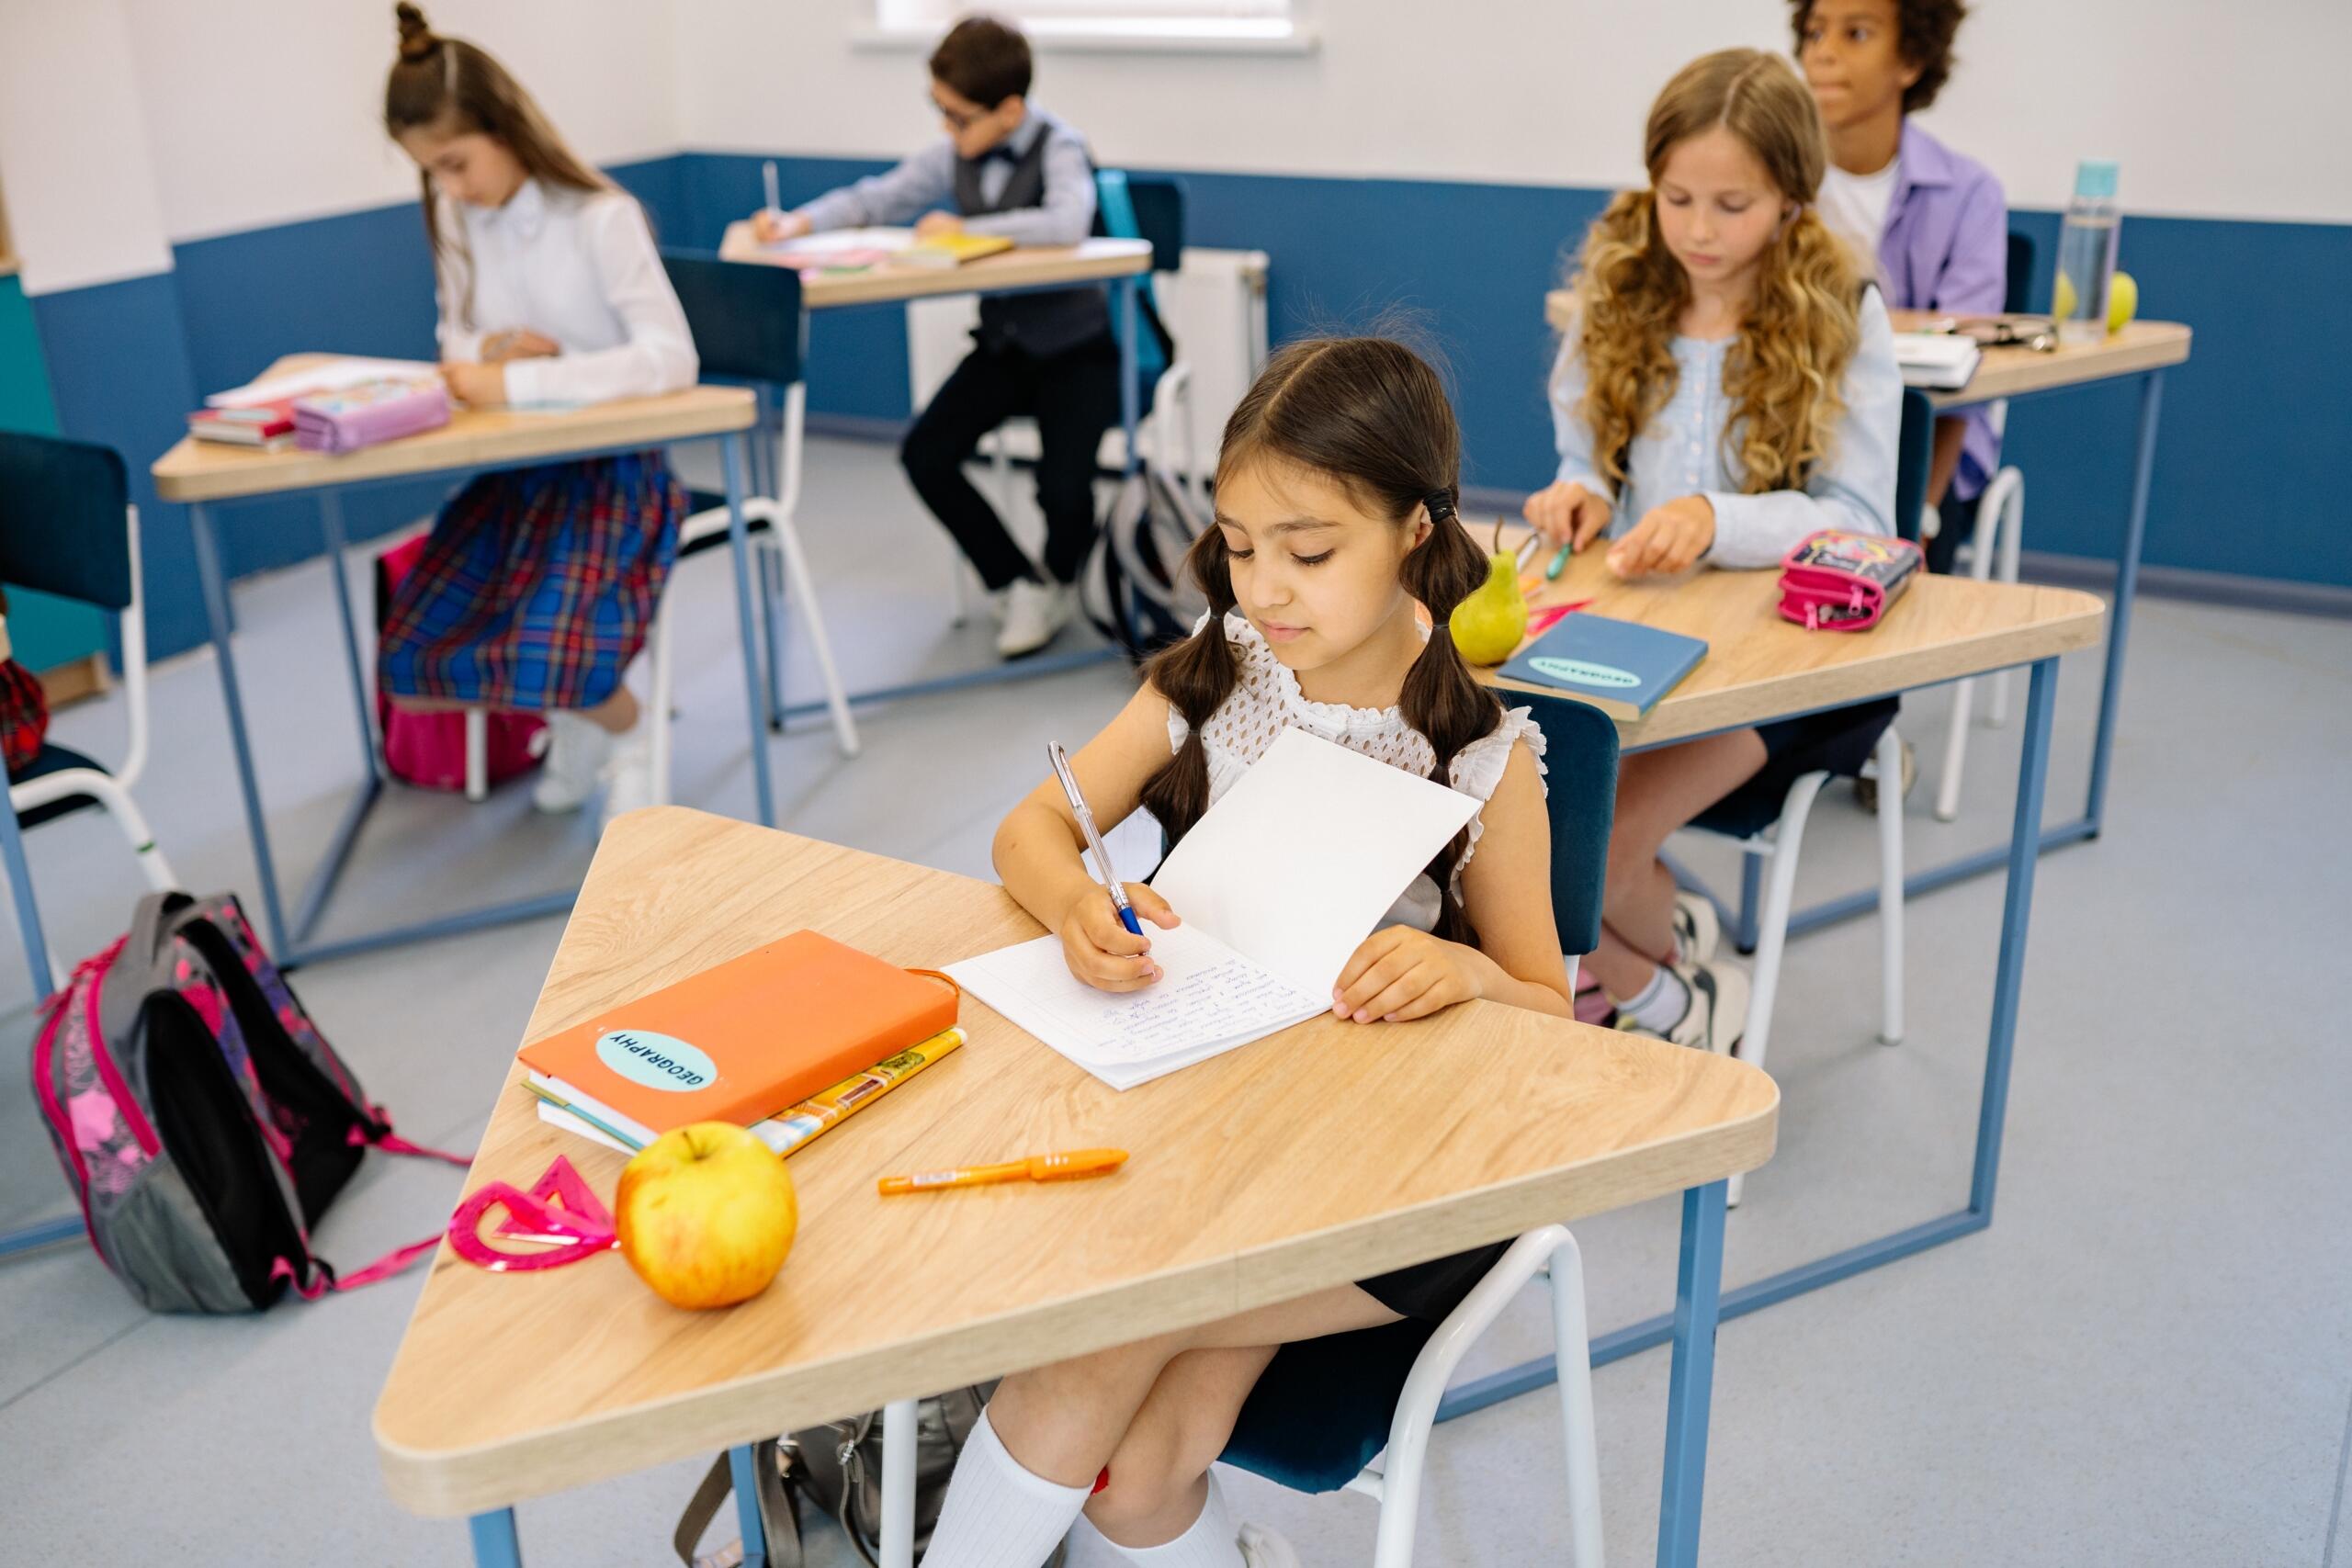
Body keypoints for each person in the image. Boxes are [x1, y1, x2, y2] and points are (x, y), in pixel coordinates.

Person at [922, 335, 1573, 1567]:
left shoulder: (1486, 755)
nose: (1266, 585)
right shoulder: (1222, 670)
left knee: (1092, 1337)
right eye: (1238, 541)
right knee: (1135, 1472)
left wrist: (1477, 974)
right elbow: (1032, 828)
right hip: (1211, 1128)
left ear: (1416, 533)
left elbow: (1552, 1008)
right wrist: (1074, 900)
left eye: (1309, 550)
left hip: (1395, 1188)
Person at [1524, 48, 1902, 1055]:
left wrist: (1717, 517)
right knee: (1509, 832)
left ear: (1790, 199)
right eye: (1675, 197)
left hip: (1786, 667)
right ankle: (1666, 934)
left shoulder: (1843, 310)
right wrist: (1583, 495)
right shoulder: (1623, 284)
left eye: (1730, 204)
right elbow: (1585, 450)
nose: (1696, 229)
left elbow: (1860, 516)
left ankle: (1679, 1004)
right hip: (1641, 635)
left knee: (1583, 854)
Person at [379, 3, 695, 822]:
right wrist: (488, 357)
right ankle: (582, 721)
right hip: (521, 476)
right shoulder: (459, 219)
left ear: (503, 126)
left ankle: (626, 734)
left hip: (619, 478)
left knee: (553, 640)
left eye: (456, 163)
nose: (451, 188)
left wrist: (521, 384)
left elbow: (671, 359)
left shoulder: (601, 218)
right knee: (417, 649)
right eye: (432, 173)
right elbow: (456, 334)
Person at [753, 15, 1115, 658]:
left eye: (957, 117)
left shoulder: (1060, 144)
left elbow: (1066, 220)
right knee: (925, 453)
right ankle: (1016, 580)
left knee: (1063, 487)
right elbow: (877, 198)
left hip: (1077, 351)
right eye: (939, 113)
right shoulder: (954, 152)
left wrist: (965, 231)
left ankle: (1060, 578)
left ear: (1008, 112)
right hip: (1004, 347)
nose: (946, 131)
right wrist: (798, 221)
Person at [1796, 0, 2006, 570]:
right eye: (1814, 32)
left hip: (1926, 456)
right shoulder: (1772, 184)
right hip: (1793, 442)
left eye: (1856, 33)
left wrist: (1927, 508)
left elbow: (1965, 374)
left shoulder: (1969, 195)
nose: (1824, 52)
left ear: (1910, 59)